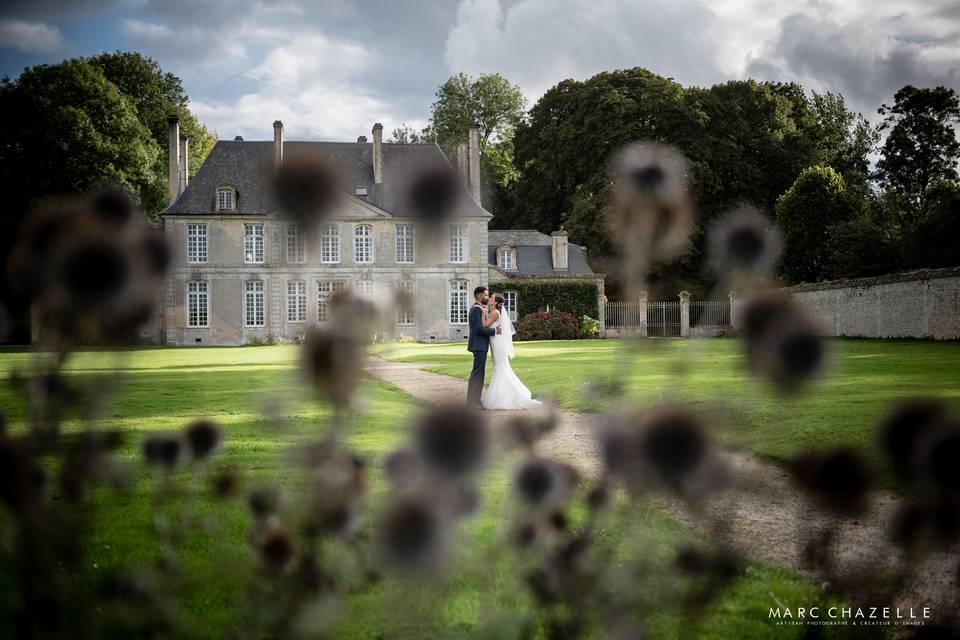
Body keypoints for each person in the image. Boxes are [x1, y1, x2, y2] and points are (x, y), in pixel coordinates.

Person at [482, 293, 542, 410]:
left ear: (496, 302)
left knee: (500, 367)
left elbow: (485, 325)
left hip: (498, 344)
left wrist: (482, 311)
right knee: (499, 367)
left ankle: (507, 397)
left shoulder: (495, 313)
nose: (489, 299)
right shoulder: (493, 312)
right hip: (495, 342)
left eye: (492, 298)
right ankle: (502, 396)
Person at [466, 286, 500, 407]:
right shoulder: (476, 309)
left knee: (479, 373)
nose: (487, 297)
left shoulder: (479, 308)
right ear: (479, 296)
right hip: (479, 345)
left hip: (480, 345)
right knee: (477, 374)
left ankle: (476, 400)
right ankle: (473, 401)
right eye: (486, 295)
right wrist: (494, 332)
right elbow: (479, 329)